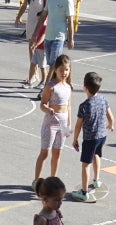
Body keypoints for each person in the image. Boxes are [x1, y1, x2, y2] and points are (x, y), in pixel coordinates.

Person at [70, 72, 114, 202]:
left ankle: (84, 192)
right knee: (97, 155)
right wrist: (111, 124)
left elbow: (78, 125)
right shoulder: (103, 99)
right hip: (102, 136)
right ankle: (96, 180)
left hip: (90, 139)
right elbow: (110, 115)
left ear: (85, 87)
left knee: (85, 165)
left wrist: (75, 139)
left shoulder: (84, 106)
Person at [33, 55, 73, 188]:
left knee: (57, 153)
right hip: (50, 124)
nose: (64, 73)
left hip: (62, 125)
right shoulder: (51, 86)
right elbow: (42, 104)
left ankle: (53, 180)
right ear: (55, 69)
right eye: (61, 70)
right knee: (45, 152)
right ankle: (37, 181)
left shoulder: (68, 87)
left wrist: (69, 124)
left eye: (66, 70)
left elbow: (69, 106)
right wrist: (48, 109)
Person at [17, 1, 48, 88]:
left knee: (34, 48)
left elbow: (47, 9)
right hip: (31, 21)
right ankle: (34, 74)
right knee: (31, 48)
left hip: (40, 22)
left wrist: (43, 19)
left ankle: (36, 76)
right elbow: (24, 5)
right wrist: (18, 16)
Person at [42, 0, 74, 66]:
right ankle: (53, 76)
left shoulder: (68, 1)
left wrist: (70, 39)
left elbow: (70, 22)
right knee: (51, 64)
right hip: (48, 36)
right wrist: (35, 33)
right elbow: (43, 16)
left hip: (59, 37)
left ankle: (49, 77)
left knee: (54, 64)